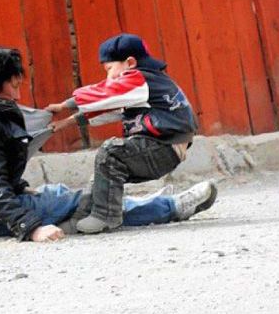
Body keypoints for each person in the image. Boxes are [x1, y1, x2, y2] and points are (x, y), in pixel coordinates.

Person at [0, 46, 217, 242]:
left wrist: (19, 190)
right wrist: (31, 227)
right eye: (13, 85)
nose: (16, 95)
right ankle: (169, 207)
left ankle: (146, 203)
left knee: (64, 198)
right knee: (87, 203)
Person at [46, 33, 216, 234]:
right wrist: (66, 122)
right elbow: (110, 110)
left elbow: (105, 93)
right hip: (165, 149)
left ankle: (105, 216)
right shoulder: (145, 86)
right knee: (102, 174)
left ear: (130, 62)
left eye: (109, 69)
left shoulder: (139, 79)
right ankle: (79, 219)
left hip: (161, 147)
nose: (108, 77)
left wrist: (64, 105)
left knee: (110, 153)